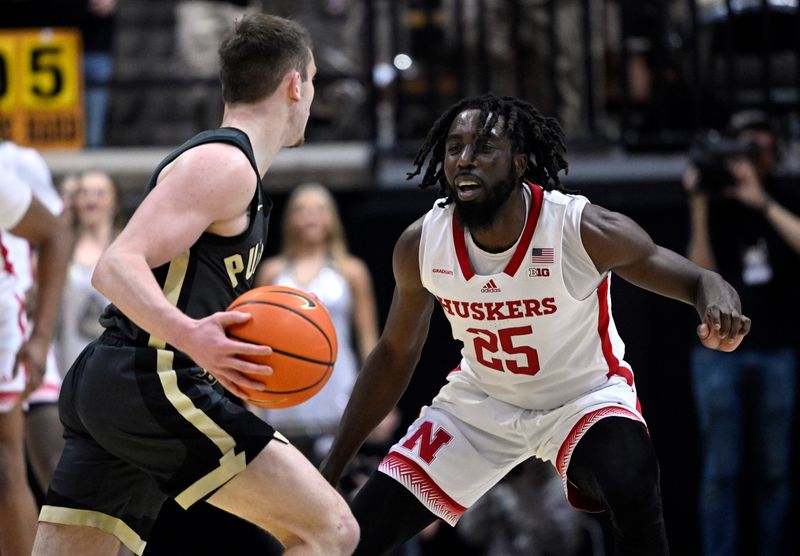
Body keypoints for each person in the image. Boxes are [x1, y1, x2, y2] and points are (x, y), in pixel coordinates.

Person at [320, 93, 751, 556]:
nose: (465, 158)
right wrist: (328, 471)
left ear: (520, 162)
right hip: (480, 404)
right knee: (353, 535)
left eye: (484, 147)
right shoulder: (422, 244)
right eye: (454, 146)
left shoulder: (578, 228)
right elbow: (393, 354)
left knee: (631, 482)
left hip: (582, 398)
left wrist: (716, 299)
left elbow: (694, 278)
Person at [33, 13, 359, 556]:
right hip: (153, 377)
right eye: (315, 80)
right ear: (294, 83)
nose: (312, 96)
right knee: (329, 530)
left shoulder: (233, 167)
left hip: (119, 381)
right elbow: (115, 265)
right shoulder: (224, 165)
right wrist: (193, 336)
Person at [684, 109, 800, 556]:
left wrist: (762, 202)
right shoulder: (713, 204)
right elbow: (699, 275)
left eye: (763, 149)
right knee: (721, 471)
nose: (754, 158)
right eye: (746, 148)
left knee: (775, 469)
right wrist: (697, 205)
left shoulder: (784, 196)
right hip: (719, 353)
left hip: (777, 349)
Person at [255, 182, 379, 463]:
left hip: (339, 393)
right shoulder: (272, 271)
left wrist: (378, 403)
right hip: (285, 398)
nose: (310, 215)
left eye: (318, 208)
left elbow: (369, 342)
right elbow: (255, 341)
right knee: (287, 493)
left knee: (338, 488)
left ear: (331, 218)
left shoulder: (352, 271)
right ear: (290, 220)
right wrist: (253, 401)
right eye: (301, 209)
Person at [0, 143, 71, 556]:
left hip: (13, 322)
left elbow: (56, 230)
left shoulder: (17, 161)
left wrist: (41, 336)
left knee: (46, 465)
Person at [56, 170, 121, 374]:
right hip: (67, 357)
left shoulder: (127, 247)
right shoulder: (62, 248)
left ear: (114, 201)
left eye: (100, 193)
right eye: (84, 192)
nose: (91, 199)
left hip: (116, 360)